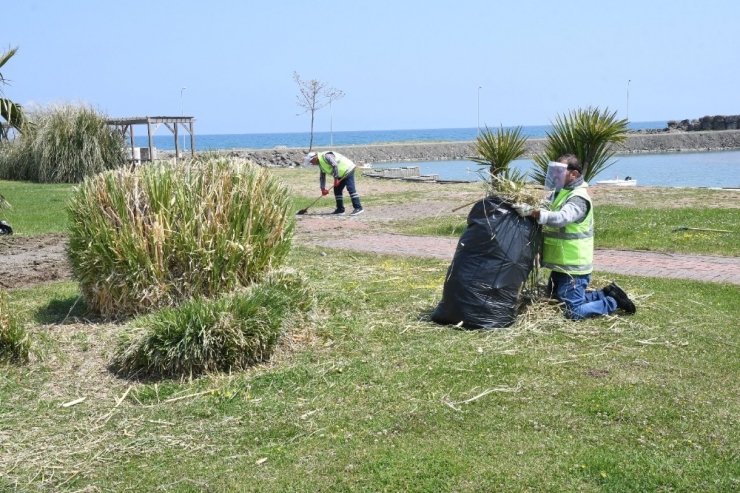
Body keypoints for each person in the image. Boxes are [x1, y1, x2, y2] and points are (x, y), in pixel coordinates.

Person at [516, 154, 636, 320]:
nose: (555, 175)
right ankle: (604, 294)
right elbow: (544, 208)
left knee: (572, 312)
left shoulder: (578, 198)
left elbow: (561, 218)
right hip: (561, 264)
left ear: (574, 174)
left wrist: (534, 213)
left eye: (560, 171)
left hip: (573, 266)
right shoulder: (560, 193)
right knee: (557, 301)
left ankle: (612, 301)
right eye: (554, 170)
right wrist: (528, 207)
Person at [304, 151, 364, 215]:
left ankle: (358, 208)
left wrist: (335, 179)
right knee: (337, 190)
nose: (311, 164)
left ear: (315, 158)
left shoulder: (326, 156)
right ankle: (340, 210)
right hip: (340, 174)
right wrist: (323, 189)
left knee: (350, 188)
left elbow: (335, 165)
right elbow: (322, 177)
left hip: (348, 170)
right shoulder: (321, 165)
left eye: (311, 162)